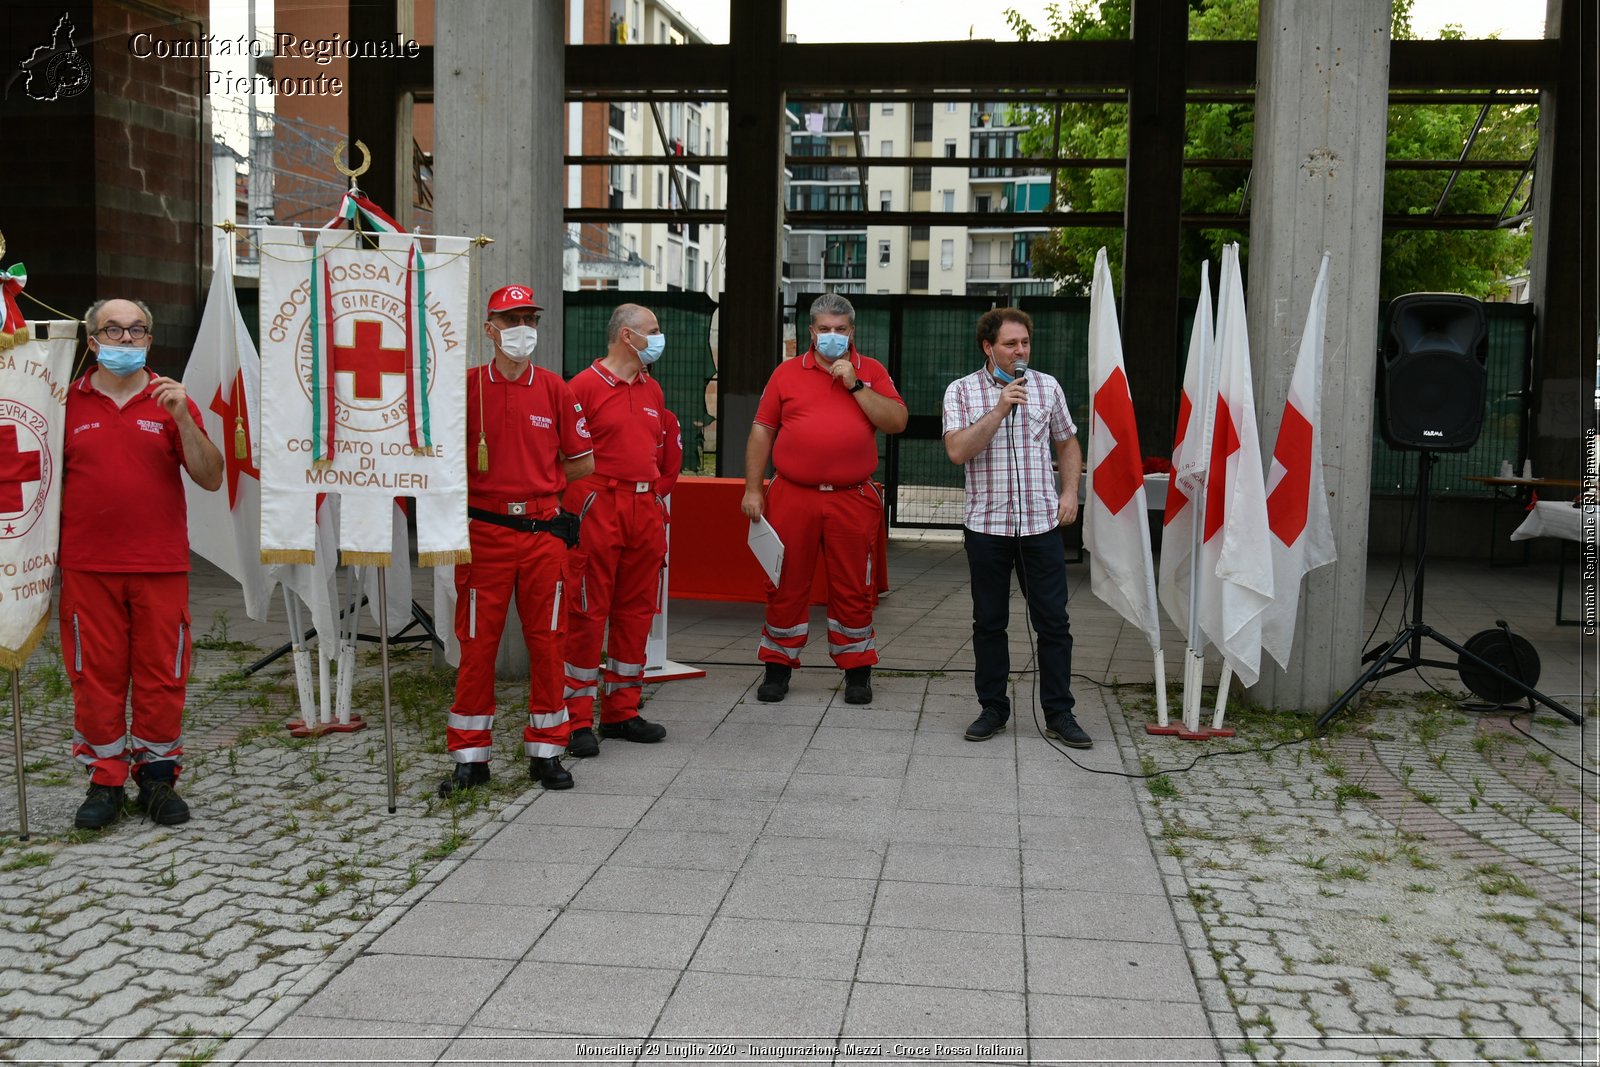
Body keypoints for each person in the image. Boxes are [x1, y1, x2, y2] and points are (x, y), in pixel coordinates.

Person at [59, 298, 223, 829]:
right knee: (95, 676)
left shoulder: (171, 399)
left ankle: (157, 776)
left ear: (150, 341)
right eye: (113, 329)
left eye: (136, 331)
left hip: (160, 565)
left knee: (161, 674)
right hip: (89, 566)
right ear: (92, 341)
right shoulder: (65, 403)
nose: (125, 339)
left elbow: (211, 476)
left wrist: (182, 417)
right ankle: (105, 780)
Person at [439, 284, 594, 796]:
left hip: (542, 535)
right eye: (511, 320)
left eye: (530, 318)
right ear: (489, 330)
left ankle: (547, 752)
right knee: (477, 644)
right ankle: (470, 757)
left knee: (548, 643)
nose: (521, 329)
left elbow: (582, 461)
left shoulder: (556, 389)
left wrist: (538, 492)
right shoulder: (463, 388)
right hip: (482, 534)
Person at [741, 293, 907, 705]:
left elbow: (896, 421)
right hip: (793, 494)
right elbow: (763, 430)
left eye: (841, 329)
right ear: (811, 332)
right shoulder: (785, 374)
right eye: (825, 329)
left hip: (853, 497)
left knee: (854, 585)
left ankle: (857, 671)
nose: (833, 336)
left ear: (853, 332)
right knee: (784, 582)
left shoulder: (871, 371)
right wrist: (752, 487)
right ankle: (777, 668)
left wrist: (855, 384)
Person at [941, 307, 1092, 748]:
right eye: (1011, 344)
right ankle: (993, 709)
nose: (1020, 351)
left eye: (1025, 342)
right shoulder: (962, 391)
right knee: (989, 621)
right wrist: (999, 408)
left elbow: (1067, 443)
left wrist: (1069, 494)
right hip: (987, 526)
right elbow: (957, 450)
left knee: (1053, 621)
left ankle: (1059, 713)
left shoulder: (1048, 387)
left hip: (1041, 524)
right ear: (988, 347)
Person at [562, 303, 679, 758]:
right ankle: (575, 720)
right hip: (599, 506)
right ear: (627, 336)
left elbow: (659, 453)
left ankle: (621, 712)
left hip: (644, 509)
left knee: (636, 612)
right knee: (587, 612)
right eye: (653, 330)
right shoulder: (583, 388)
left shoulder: (653, 391)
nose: (659, 337)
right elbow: (566, 458)